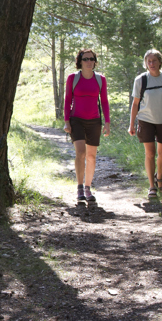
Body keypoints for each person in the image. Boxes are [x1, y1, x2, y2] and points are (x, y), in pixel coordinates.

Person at [128, 49, 162, 198]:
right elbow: (135, 103)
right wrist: (131, 124)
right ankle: (152, 186)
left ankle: (159, 177)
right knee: (150, 153)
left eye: (154, 61)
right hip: (146, 120)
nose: (151, 64)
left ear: (160, 62)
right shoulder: (141, 80)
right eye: (149, 61)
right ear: (145, 63)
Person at [63, 48, 111, 204]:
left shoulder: (100, 79)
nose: (89, 62)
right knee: (81, 153)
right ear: (80, 62)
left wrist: (107, 122)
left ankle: (88, 188)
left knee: (91, 156)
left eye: (91, 59)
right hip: (76, 119)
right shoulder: (72, 78)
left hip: (94, 121)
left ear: (95, 61)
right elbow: (67, 100)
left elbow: (104, 101)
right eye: (85, 59)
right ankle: (79, 188)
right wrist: (66, 121)